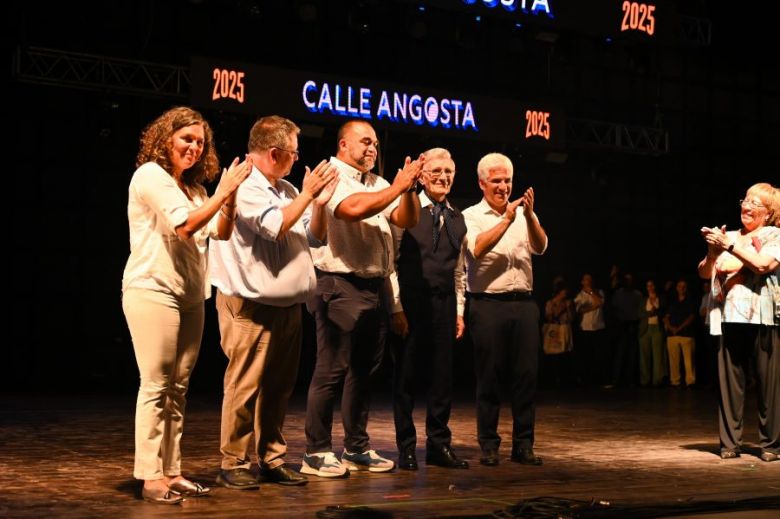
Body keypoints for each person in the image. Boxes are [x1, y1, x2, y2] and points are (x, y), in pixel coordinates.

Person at [121, 106, 251, 504]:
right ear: (166, 140)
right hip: (153, 288)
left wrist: (228, 200)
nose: (194, 147)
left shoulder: (194, 190)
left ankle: (172, 470)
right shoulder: (151, 176)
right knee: (156, 384)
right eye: (186, 139)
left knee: (178, 387)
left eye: (200, 142)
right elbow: (186, 226)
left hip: (191, 294)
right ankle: (150, 476)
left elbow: (221, 231)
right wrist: (224, 192)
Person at [209, 116, 339, 490]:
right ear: (275, 152)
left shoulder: (285, 189)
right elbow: (274, 226)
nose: (298, 160)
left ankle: (271, 458)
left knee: (279, 388)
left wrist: (319, 205)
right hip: (251, 306)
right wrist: (306, 195)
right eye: (294, 153)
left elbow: (314, 239)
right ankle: (234, 461)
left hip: (287, 308)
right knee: (245, 385)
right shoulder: (247, 185)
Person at [302, 120, 424, 478]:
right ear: (343, 145)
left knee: (364, 373)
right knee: (332, 370)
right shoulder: (332, 173)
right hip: (339, 284)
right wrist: (398, 186)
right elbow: (352, 209)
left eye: (375, 144)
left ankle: (355, 447)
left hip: (373, 286)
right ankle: (316, 451)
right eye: (365, 142)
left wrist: (409, 189)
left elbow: (406, 218)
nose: (372, 149)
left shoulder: (379, 183)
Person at [462, 152, 548, 467]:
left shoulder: (524, 213)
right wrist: (507, 220)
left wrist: (531, 216)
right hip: (488, 304)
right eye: (496, 181)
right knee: (489, 377)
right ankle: (488, 445)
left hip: (524, 304)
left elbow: (540, 246)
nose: (503, 187)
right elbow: (476, 248)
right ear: (482, 183)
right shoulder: (470, 215)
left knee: (526, 377)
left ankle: (524, 445)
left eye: (507, 180)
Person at [389, 147, 469, 471]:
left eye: (448, 172)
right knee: (405, 377)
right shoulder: (405, 210)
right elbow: (390, 261)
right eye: (436, 171)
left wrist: (460, 310)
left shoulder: (458, 218)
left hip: (444, 303)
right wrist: (395, 306)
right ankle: (406, 447)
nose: (442, 177)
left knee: (442, 379)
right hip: (411, 300)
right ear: (422, 176)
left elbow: (459, 271)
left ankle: (439, 445)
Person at [699, 182, 780, 462]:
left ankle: (771, 445)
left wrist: (730, 249)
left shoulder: (774, 235)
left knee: (769, 385)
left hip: (764, 317)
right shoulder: (729, 235)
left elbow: (762, 265)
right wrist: (712, 252)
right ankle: (730, 444)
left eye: (755, 203)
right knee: (730, 385)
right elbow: (706, 271)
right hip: (728, 316)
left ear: (768, 214)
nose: (747, 205)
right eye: (745, 199)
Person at [573, 273, 607, 386]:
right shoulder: (579, 295)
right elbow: (579, 310)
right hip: (585, 328)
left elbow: (600, 303)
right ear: (582, 282)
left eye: (590, 279)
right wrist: (594, 306)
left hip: (598, 327)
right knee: (587, 356)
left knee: (599, 355)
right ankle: (587, 381)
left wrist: (591, 292)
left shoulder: (599, 292)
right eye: (586, 280)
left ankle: (599, 380)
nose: (589, 282)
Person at [663, 279, 697, 388]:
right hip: (672, 335)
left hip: (686, 335)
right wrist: (671, 327)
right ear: (676, 288)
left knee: (689, 361)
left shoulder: (691, 301)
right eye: (679, 286)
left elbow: (691, 317)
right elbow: (666, 317)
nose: (681, 288)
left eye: (683, 286)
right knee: (673, 361)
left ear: (686, 288)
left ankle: (690, 381)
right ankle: (675, 381)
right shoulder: (673, 301)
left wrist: (679, 328)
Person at [638, 279, 665, 387]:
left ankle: (657, 380)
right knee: (644, 356)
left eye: (652, 285)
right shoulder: (643, 300)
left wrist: (656, 311)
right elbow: (639, 313)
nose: (650, 287)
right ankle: (645, 380)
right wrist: (649, 313)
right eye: (648, 286)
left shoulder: (661, 299)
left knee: (658, 356)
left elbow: (664, 312)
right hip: (645, 329)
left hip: (657, 328)